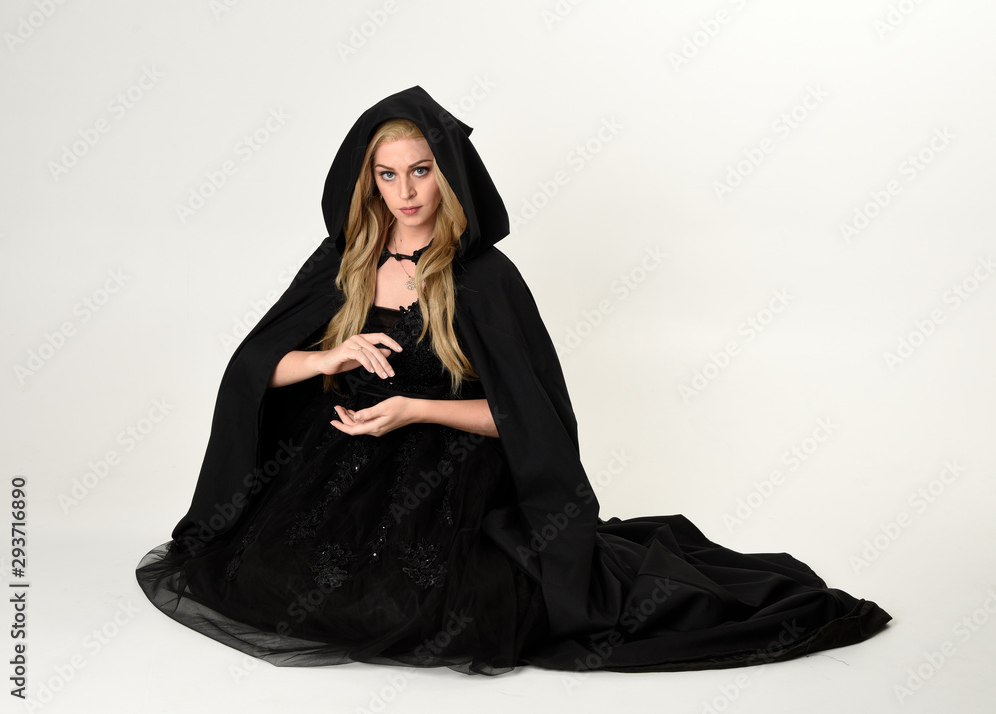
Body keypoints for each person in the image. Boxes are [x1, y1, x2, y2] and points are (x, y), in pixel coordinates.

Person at [135, 85, 891, 676]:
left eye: (421, 172)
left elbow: (525, 419)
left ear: (447, 174)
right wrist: (329, 358)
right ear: (368, 180)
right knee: (267, 578)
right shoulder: (341, 262)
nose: (405, 192)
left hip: (452, 479)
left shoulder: (485, 279)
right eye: (388, 174)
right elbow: (254, 368)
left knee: (457, 604)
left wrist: (413, 409)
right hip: (337, 474)